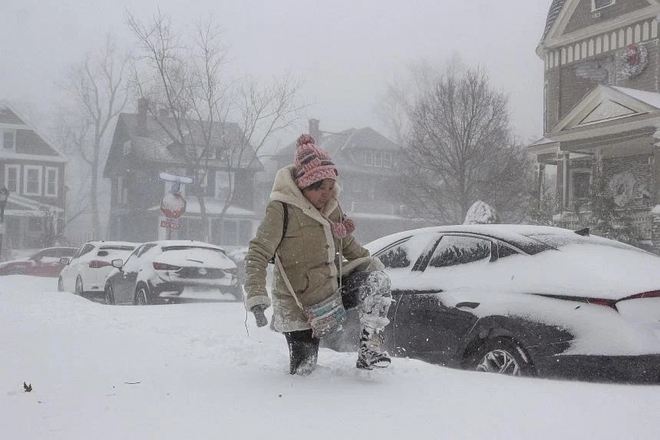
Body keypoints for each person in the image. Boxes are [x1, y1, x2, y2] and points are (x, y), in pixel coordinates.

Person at [244, 134, 393, 375]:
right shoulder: (281, 208)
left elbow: (351, 248)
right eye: (319, 187)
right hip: (298, 303)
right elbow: (258, 253)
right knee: (305, 371)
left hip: (331, 291)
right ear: (304, 185)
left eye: (329, 186)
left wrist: (378, 269)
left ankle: (370, 349)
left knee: (377, 280)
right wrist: (257, 296)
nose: (327, 193)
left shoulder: (332, 209)